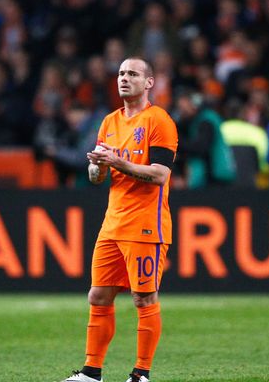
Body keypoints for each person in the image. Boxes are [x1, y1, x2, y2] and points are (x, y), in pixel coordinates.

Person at [63, 57, 178, 382]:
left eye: (133, 74)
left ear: (149, 82)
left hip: (146, 224)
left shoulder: (159, 121)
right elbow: (98, 176)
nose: (125, 79)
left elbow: (159, 175)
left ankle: (141, 375)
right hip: (113, 223)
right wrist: (98, 166)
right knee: (98, 296)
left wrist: (116, 162)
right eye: (122, 73)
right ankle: (91, 373)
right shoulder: (109, 121)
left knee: (144, 297)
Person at [174, 90, 236, 188]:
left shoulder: (206, 121)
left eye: (183, 108)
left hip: (214, 177)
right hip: (216, 173)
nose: (182, 113)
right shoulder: (204, 120)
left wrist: (177, 142)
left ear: (193, 104)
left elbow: (200, 147)